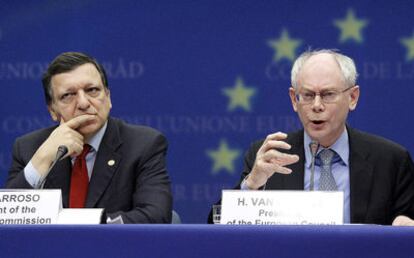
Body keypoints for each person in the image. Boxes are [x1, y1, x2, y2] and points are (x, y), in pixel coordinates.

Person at [209, 49, 414, 226]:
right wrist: (251, 185)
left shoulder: (390, 161)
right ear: (293, 99)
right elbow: (215, 226)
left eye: (327, 94)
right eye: (307, 95)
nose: (316, 105)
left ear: (352, 98)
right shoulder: (270, 155)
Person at [6, 52, 172, 223]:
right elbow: (7, 220)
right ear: (52, 111)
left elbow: (155, 216)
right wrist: (42, 158)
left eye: (92, 90)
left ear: (108, 97)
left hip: (114, 248)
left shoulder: (143, 145)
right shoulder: (28, 147)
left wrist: (84, 224)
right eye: (68, 95)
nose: (83, 103)